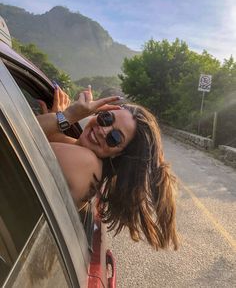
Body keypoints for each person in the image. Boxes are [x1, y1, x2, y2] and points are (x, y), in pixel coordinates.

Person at [37, 85, 179, 250]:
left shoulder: (86, 162)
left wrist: (67, 116)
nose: (103, 131)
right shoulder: (83, 152)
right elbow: (53, 137)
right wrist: (57, 116)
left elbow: (12, 134)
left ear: (118, 155)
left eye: (115, 137)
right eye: (106, 118)